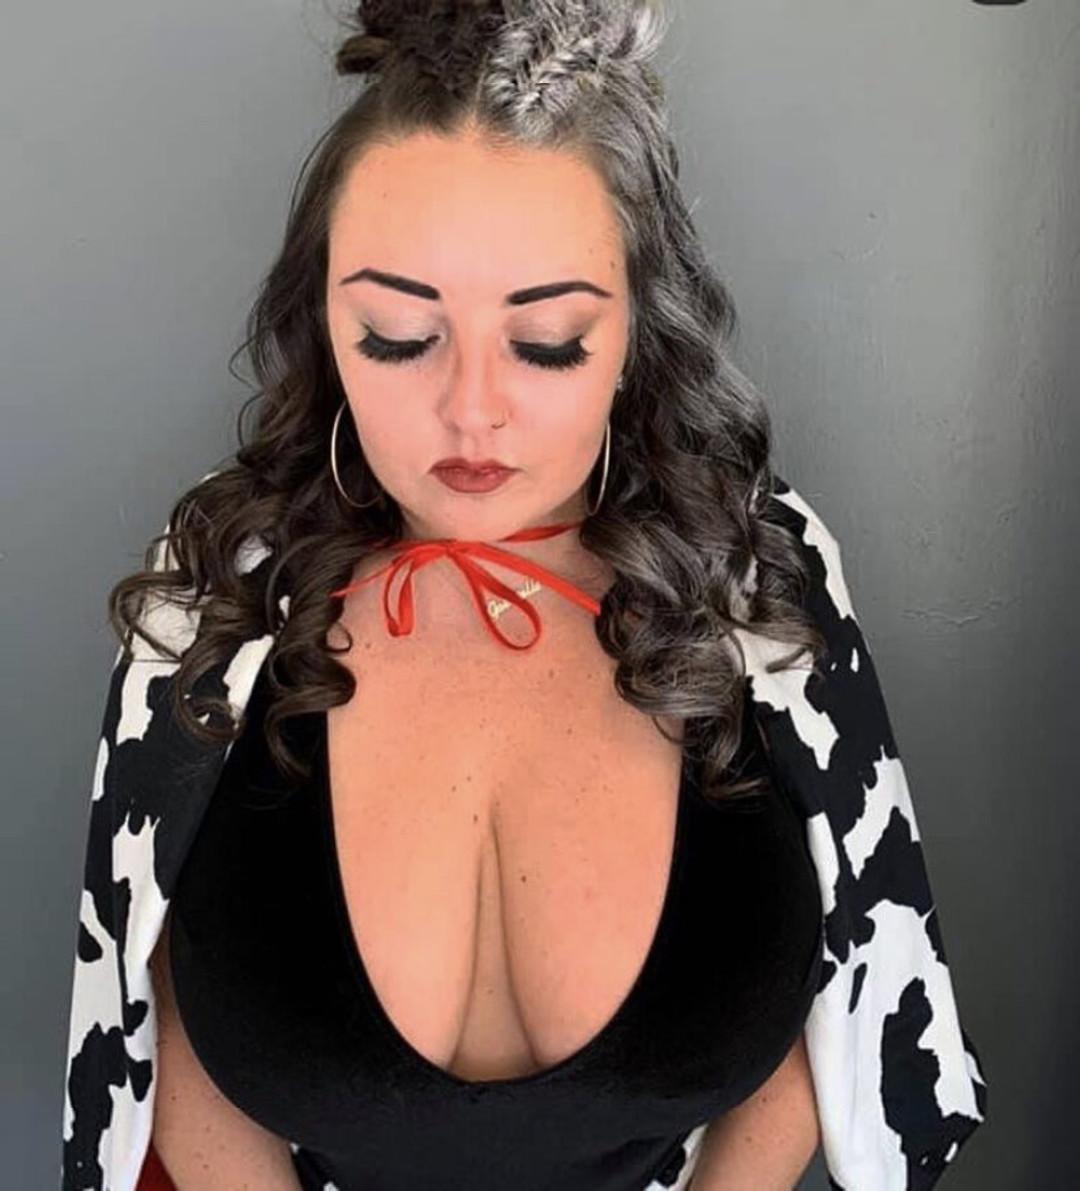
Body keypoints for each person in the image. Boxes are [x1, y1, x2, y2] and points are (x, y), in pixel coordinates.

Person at [60, 2, 988, 1189]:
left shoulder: (750, 572)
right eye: (398, 336)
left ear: (637, 330)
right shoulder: (219, 584)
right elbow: (146, 1000)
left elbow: (850, 965)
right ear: (324, 320)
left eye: (547, 341)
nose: (473, 412)